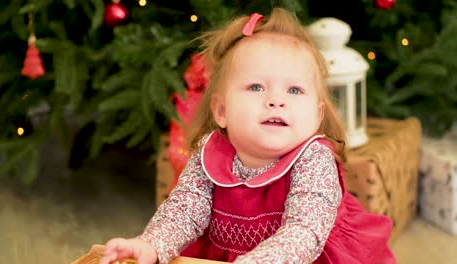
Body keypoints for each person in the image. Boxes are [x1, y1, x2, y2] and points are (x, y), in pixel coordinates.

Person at [100, 8, 396, 264]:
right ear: (221, 111)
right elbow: (185, 209)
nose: (276, 100)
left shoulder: (314, 159)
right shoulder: (211, 151)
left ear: (317, 115)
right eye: (256, 87)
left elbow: (305, 231)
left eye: (294, 90)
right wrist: (150, 243)